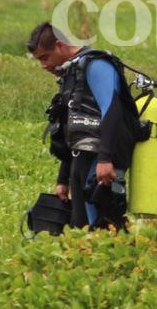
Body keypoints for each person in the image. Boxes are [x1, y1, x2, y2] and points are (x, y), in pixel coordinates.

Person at [27, 22, 137, 230]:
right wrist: (63, 178)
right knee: (80, 229)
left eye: (45, 57)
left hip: (101, 165)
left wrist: (105, 159)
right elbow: (71, 129)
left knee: (103, 229)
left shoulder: (97, 65)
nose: (43, 65)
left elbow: (111, 110)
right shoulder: (71, 72)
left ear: (60, 46)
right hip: (81, 162)